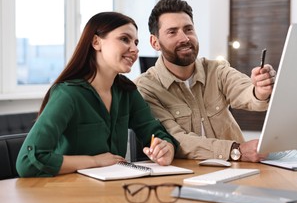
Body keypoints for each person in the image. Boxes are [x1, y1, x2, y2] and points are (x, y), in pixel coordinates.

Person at [16, 12, 178, 177]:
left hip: (113, 193)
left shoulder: (127, 92)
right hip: (68, 195)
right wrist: (94, 161)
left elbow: (154, 132)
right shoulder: (67, 95)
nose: (135, 49)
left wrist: (166, 149)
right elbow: (28, 161)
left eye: (136, 42)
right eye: (125, 39)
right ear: (96, 42)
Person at [134, 0, 276, 163]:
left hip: (237, 170)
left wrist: (260, 90)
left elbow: (245, 92)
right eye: (172, 32)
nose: (185, 38)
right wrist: (236, 151)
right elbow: (176, 139)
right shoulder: (146, 88)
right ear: (155, 42)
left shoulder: (216, 70)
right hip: (186, 176)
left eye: (188, 29)